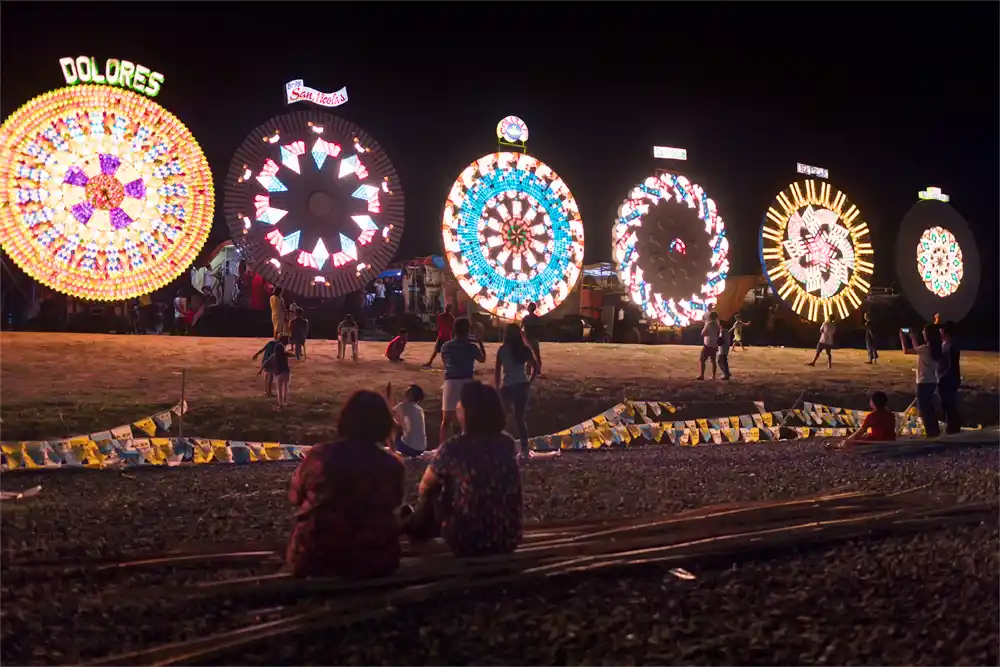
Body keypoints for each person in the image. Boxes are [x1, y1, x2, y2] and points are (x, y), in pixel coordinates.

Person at [286, 390, 406, 579]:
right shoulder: (393, 465)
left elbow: (294, 497)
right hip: (377, 559)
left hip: (315, 557)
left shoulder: (320, 456)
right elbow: (395, 502)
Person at [403, 381, 522, 557]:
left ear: (467, 411)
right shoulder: (507, 443)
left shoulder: (454, 447)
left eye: (460, 402)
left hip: (468, 541)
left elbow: (424, 487)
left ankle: (414, 527)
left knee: (435, 490)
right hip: (508, 537)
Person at [494, 323, 540, 457]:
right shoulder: (524, 350)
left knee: (501, 418)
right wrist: (529, 381)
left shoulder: (502, 350)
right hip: (522, 385)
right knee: (520, 419)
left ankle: (500, 447)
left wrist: (497, 388)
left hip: (507, 386)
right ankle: (524, 449)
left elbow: (497, 371)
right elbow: (535, 366)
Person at [440, 318, 487, 443]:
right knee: (466, 419)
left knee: (446, 420)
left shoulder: (446, 346)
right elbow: (482, 359)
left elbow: (445, 362)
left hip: (450, 381)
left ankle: (442, 447)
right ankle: (465, 445)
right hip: (466, 382)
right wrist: (480, 342)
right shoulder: (471, 347)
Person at [900, 324, 941, 437]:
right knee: (929, 408)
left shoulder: (924, 349)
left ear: (927, 335)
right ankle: (935, 432)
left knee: (924, 410)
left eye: (924, 331)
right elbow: (918, 350)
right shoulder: (936, 349)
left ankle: (931, 434)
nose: (922, 332)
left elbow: (906, 351)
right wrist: (912, 337)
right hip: (932, 381)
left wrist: (902, 337)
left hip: (923, 383)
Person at [387, 381, 427, 458]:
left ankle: (392, 450)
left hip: (407, 448)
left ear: (411, 396)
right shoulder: (420, 409)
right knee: (399, 426)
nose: (405, 392)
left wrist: (388, 395)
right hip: (421, 449)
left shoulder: (403, 405)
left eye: (408, 391)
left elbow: (388, 412)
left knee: (388, 421)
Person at [937, 321, 962, 434]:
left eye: (941, 331)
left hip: (948, 380)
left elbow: (951, 365)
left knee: (949, 404)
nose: (939, 333)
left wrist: (941, 377)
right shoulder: (944, 345)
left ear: (945, 332)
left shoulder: (951, 346)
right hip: (944, 379)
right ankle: (951, 427)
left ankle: (953, 429)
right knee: (945, 404)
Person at [521, 303, 543, 376]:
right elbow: (540, 329)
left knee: (528, 356)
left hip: (528, 339)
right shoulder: (537, 318)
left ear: (529, 309)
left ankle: (528, 371)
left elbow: (521, 328)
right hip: (535, 339)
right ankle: (538, 370)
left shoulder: (526, 318)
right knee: (537, 355)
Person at [697, 312, 721, 380]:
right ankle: (713, 376)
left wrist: (709, 334)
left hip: (708, 344)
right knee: (713, 361)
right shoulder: (717, 325)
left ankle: (702, 375)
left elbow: (703, 333)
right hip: (715, 345)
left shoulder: (709, 324)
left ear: (710, 317)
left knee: (702, 359)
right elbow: (718, 334)